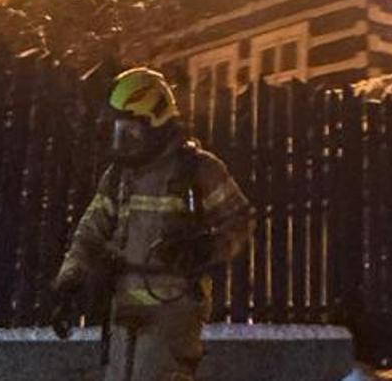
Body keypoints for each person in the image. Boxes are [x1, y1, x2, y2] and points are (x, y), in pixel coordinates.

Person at [52, 67, 253, 381]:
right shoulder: (119, 176)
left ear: (156, 122)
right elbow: (91, 231)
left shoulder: (199, 170)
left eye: (130, 132)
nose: (123, 142)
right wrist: (69, 283)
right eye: (118, 132)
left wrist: (207, 248)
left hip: (174, 311)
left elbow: (239, 220)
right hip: (122, 308)